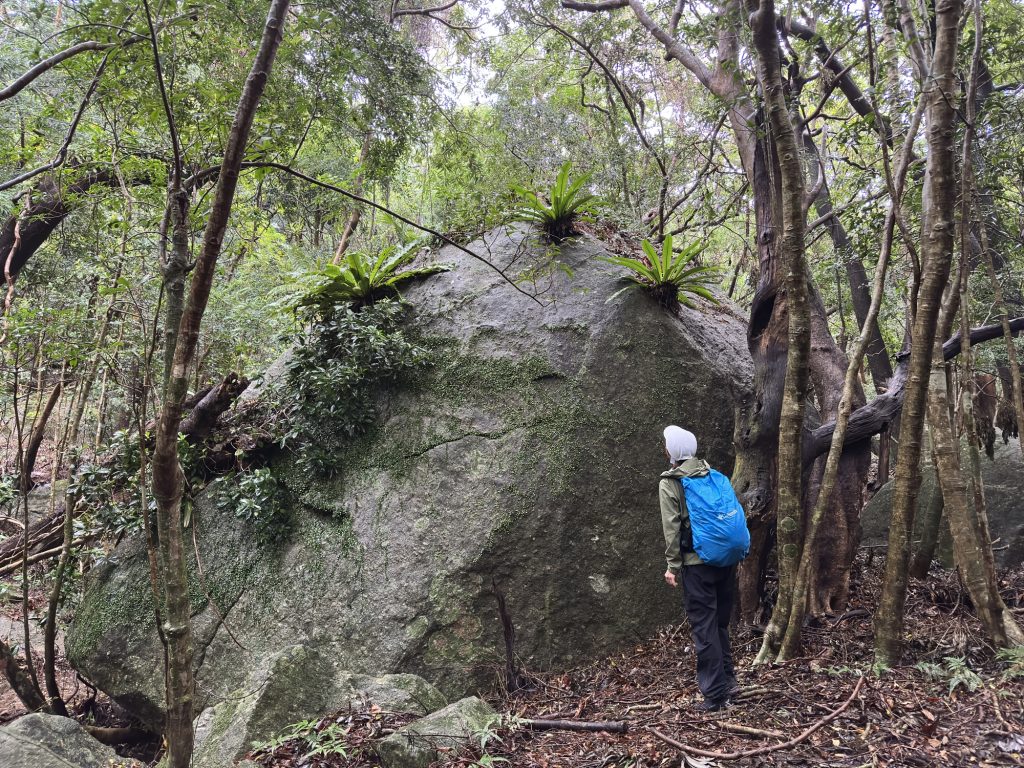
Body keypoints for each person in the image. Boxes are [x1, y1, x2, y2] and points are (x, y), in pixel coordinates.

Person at [659, 425, 738, 711]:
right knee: (719, 624)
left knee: (704, 628)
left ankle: (715, 695)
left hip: (697, 565)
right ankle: (729, 682)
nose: (664, 448)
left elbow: (672, 528)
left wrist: (672, 566)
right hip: (725, 561)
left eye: (667, 444)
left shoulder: (671, 482)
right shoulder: (712, 474)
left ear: (675, 450)